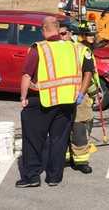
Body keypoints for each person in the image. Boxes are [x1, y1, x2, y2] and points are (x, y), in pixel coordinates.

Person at [16, 17, 94, 188]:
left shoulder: (39, 48)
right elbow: (87, 72)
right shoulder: (75, 49)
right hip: (67, 101)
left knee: (33, 140)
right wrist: (80, 94)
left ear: (44, 30)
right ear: (58, 30)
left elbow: (27, 76)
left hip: (42, 101)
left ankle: (32, 177)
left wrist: (23, 97)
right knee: (59, 141)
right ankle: (54, 177)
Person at [67, 28, 102, 174]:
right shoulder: (78, 51)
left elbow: (90, 76)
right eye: (88, 35)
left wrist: (95, 92)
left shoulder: (82, 51)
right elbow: (87, 77)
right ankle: (73, 158)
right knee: (72, 130)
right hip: (69, 96)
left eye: (93, 35)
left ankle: (77, 160)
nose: (92, 38)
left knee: (77, 129)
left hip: (77, 96)